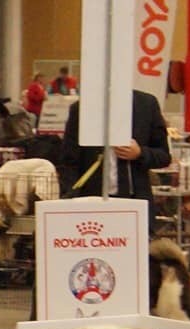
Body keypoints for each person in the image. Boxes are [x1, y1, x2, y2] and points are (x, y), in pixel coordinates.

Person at [60, 89, 171, 231]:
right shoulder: (81, 109)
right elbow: (68, 161)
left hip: (134, 204)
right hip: (91, 205)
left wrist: (140, 153)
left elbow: (163, 155)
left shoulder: (146, 104)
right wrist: (71, 199)